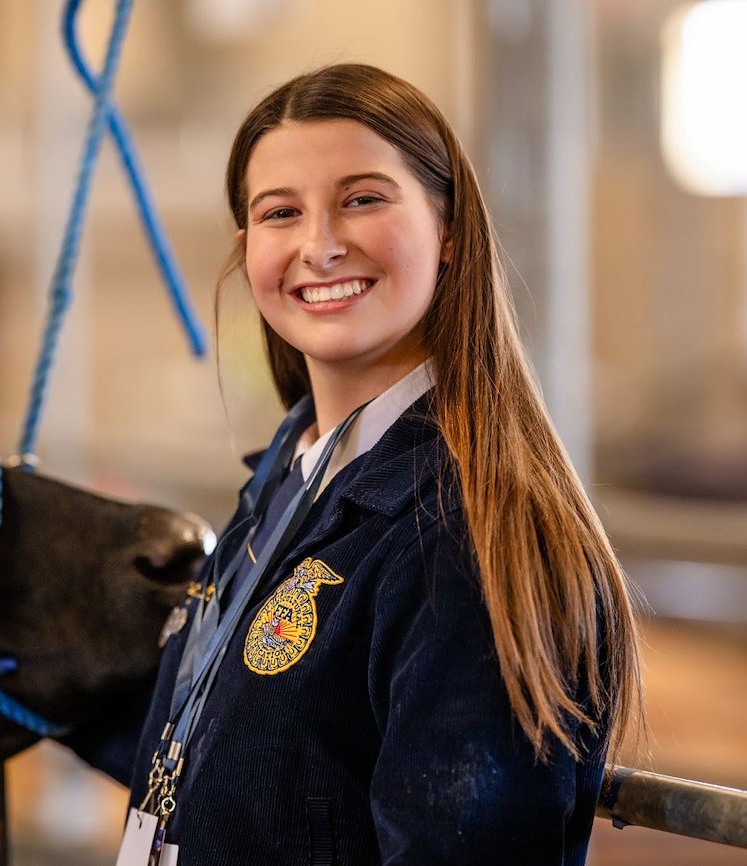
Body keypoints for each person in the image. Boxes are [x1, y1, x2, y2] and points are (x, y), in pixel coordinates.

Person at [110, 63, 643, 866]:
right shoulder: (291, 477)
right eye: (281, 212)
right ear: (247, 249)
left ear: (449, 230)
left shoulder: (464, 535)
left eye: (362, 200)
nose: (320, 245)